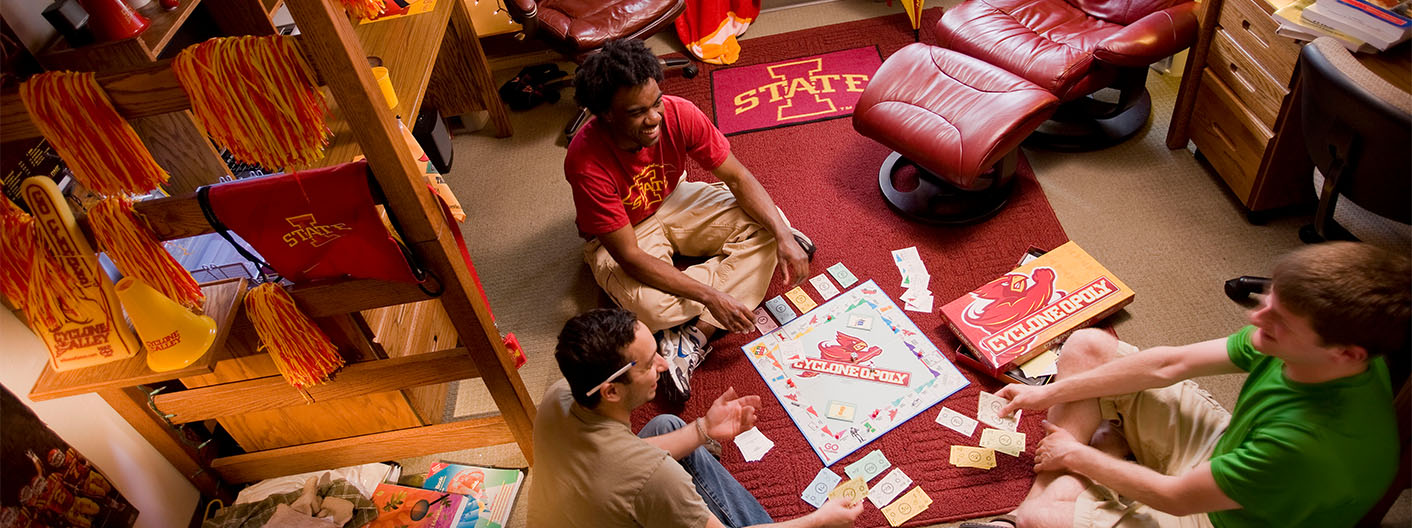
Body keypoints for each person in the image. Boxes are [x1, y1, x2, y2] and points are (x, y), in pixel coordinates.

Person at [961, 242, 1409, 528]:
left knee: (1044, 517)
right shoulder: (1308, 346)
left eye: (1281, 322)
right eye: (1270, 301)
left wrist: (1075, 454)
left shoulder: (1303, 445)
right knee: (1085, 346)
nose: (1257, 319)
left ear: (1346, 353)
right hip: (1227, 452)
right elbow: (1170, 364)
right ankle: (1107, 456)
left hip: (1217, 516)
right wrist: (1048, 393)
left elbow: (1175, 499)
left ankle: (1025, 514)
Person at [565, 39, 814, 403]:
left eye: (656, 102)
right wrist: (711, 296)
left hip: (674, 197)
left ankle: (691, 335)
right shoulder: (584, 162)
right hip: (621, 235)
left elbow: (738, 178)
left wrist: (781, 235)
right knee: (651, 310)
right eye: (638, 112)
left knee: (777, 226)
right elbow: (631, 256)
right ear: (605, 114)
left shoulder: (679, 112)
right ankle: (709, 313)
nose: (654, 118)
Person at [528, 308, 864, 528]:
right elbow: (639, 470)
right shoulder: (655, 478)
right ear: (611, 391)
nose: (663, 364)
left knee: (668, 426)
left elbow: (618, 459)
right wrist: (820, 520)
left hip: (580, 507)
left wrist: (704, 428)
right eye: (649, 364)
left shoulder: (559, 394)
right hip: (617, 497)